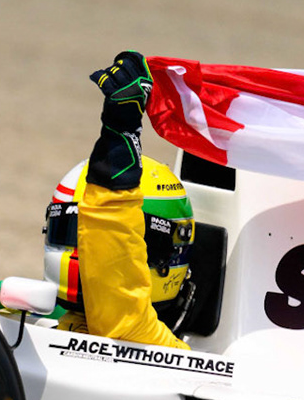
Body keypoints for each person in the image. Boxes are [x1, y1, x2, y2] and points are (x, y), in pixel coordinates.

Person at [43, 51, 195, 349]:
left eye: (130, 243)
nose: (87, 251)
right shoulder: (15, 309)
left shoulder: (140, 338)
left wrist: (121, 132)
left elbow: (116, 296)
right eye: (72, 230)